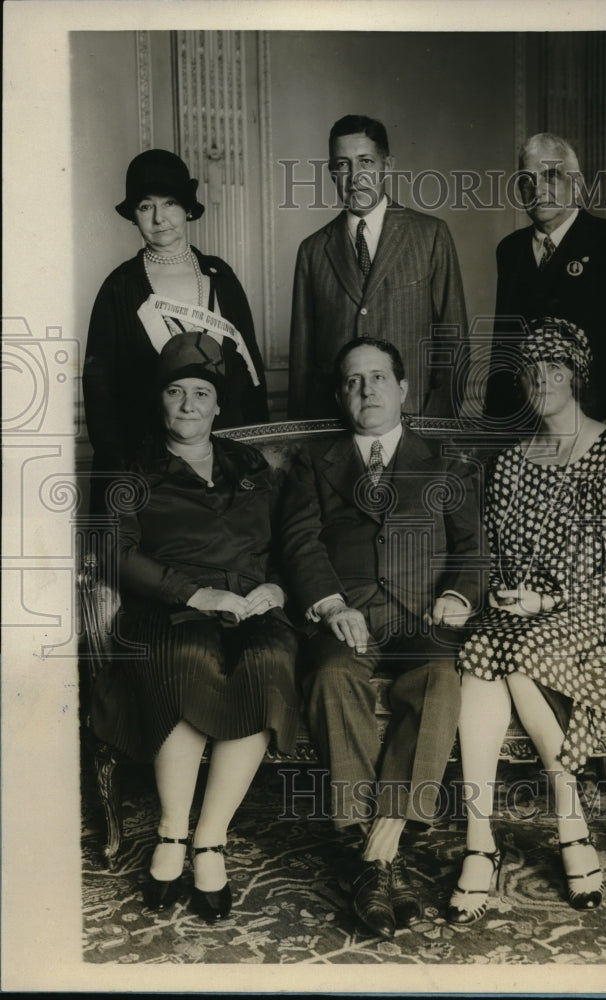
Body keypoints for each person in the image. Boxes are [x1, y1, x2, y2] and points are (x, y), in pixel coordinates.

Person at [450, 318, 606, 924]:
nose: (543, 380)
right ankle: (484, 841)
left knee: (510, 656)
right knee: (483, 652)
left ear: (576, 377)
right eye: (533, 370)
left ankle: (561, 821)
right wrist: (512, 594)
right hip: (524, 616)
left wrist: (549, 604)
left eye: (556, 369)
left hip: (603, 614)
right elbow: (498, 554)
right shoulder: (509, 464)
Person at [91, 331, 299, 923]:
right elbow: (114, 552)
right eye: (176, 392)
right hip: (170, 606)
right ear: (160, 401)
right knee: (187, 656)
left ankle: (210, 837)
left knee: (271, 662)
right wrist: (194, 592)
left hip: (252, 607)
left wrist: (278, 587)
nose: (188, 405)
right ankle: (171, 831)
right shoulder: (132, 468)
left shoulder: (251, 464)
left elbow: (291, 540)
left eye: (201, 393)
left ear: (217, 402)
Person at [280, 337, 483, 940]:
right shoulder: (313, 461)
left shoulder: (446, 460)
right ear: (342, 395)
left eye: (377, 377)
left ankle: (377, 850)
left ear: (402, 389)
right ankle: (381, 857)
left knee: (440, 682)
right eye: (352, 381)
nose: (366, 390)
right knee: (330, 674)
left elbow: (473, 548)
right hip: (347, 617)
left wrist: (458, 596)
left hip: (423, 619)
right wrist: (331, 602)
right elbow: (298, 541)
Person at [485, 132, 606, 472]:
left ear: (575, 184)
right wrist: (493, 437)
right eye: (527, 180)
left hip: (603, 437)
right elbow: (505, 346)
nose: (539, 189)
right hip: (527, 443)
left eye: (551, 175)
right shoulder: (511, 250)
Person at [83, 148, 268, 511]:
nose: (159, 218)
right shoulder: (120, 287)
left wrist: (257, 449)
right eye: (145, 206)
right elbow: (100, 394)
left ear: (187, 208)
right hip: (152, 469)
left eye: (169, 203)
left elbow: (252, 370)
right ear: (134, 216)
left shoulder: (221, 276)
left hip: (227, 455)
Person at [288, 114, 468, 421]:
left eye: (365, 162)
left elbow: (454, 339)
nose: (355, 176)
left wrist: (436, 424)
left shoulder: (430, 234)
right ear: (332, 172)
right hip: (335, 426)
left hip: (415, 421)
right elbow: (302, 362)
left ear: (388, 165)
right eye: (342, 164)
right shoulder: (313, 250)